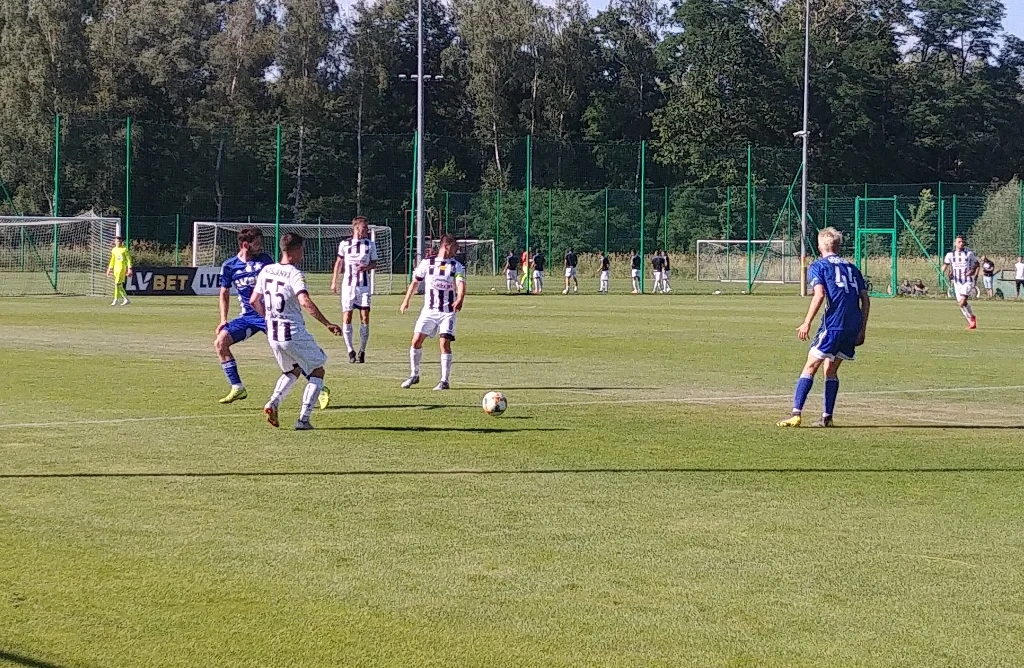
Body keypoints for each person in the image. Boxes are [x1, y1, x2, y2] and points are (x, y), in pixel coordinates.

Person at [777, 227, 870, 428]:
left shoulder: (819, 266)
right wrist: (862, 329)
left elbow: (819, 295)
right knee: (831, 370)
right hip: (851, 327)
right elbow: (865, 299)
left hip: (833, 326)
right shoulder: (852, 268)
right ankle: (827, 417)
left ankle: (796, 413)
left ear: (820, 246)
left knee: (810, 367)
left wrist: (807, 322)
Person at [251, 233, 342, 430]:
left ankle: (273, 402)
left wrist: (267, 319)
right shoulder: (294, 274)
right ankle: (303, 419)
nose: (303, 253)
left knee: (292, 370)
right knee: (317, 370)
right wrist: (327, 323)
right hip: (292, 332)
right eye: (302, 249)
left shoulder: (267, 270)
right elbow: (304, 302)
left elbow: (253, 301)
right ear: (295, 250)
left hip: (273, 333)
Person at [214, 227, 275, 405]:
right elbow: (224, 293)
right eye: (257, 243)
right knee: (220, 342)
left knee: (288, 350)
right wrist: (223, 319)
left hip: (268, 315)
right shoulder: (230, 265)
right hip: (248, 317)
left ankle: (317, 384)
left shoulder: (265, 261)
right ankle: (237, 387)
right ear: (245, 244)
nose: (261, 246)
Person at [399, 234, 466, 391]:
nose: (457, 249)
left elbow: (460, 283)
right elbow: (415, 281)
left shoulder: (456, 266)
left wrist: (460, 298)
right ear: (446, 246)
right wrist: (406, 300)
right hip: (428, 311)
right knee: (415, 341)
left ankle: (444, 380)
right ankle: (414, 374)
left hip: (447, 311)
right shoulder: (427, 263)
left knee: (444, 343)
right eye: (455, 246)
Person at [331, 216, 378, 364]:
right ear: (356, 228)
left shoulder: (369, 244)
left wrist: (367, 267)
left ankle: (362, 350)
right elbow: (339, 262)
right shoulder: (345, 244)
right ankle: (350, 350)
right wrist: (334, 281)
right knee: (347, 317)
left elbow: (374, 263)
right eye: (364, 228)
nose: (367, 230)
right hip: (348, 287)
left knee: (364, 318)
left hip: (363, 287)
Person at [943, 234, 979, 330]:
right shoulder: (950, 254)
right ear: (955, 243)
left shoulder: (969, 253)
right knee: (962, 303)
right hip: (957, 282)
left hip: (967, 281)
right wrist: (943, 270)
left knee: (962, 302)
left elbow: (977, 263)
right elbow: (945, 265)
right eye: (959, 242)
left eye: (963, 242)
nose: (961, 243)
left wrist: (973, 271)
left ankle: (971, 319)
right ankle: (971, 320)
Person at [106, 236, 133, 306]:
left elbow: (128, 259)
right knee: (119, 285)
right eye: (117, 241)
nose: (118, 243)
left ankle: (115, 300)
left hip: (121, 268)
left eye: (120, 241)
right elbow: (112, 260)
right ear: (115, 242)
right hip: (116, 269)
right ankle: (126, 299)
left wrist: (129, 269)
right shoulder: (114, 250)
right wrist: (110, 268)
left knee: (117, 284)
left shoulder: (124, 249)